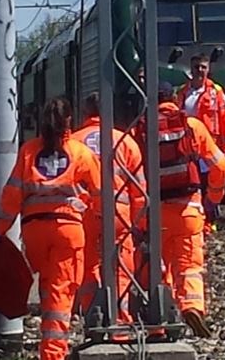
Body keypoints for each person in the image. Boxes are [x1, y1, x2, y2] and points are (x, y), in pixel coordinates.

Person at [0, 98, 102, 360]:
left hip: (34, 232)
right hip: (67, 232)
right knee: (59, 297)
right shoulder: (80, 153)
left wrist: (0, 231)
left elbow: (11, 195)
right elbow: (100, 194)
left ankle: (49, 342)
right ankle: (53, 354)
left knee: (47, 288)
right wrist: (87, 207)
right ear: (69, 122)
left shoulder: (29, 151)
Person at [139, 80, 225, 338]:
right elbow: (220, 166)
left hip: (154, 212)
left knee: (158, 267)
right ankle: (191, 306)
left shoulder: (141, 130)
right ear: (174, 99)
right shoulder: (192, 127)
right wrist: (213, 196)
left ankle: (160, 321)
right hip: (188, 210)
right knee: (189, 265)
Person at [71, 93, 146, 323]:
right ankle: (121, 317)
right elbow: (140, 190)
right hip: (119, 214)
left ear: (85, 113)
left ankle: (93, 312)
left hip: (85, 213)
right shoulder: (125, 141)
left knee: (87, 262)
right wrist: (141, 224)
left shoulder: (73, 142)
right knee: (121, 266)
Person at [176, 54, 225, 230]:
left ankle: (209, 222)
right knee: (193, 185)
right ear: (190, 70)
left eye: (203, 67)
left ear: (208, 69)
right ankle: (197, 222)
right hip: (189, 149)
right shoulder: (183, 93)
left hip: (209, 147)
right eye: (196, 67)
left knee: (212, 186)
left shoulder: (216, 93)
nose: (199, 71)